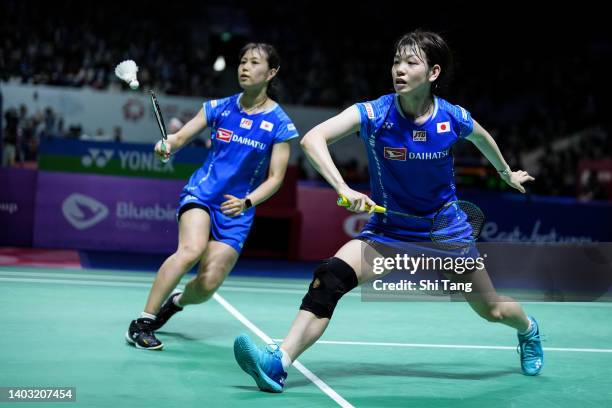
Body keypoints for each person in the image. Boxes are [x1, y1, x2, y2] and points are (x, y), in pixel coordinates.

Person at [233, 30, 543, 393]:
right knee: (329, 279)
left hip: (445, 236)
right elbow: (312, 139)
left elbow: (482, 137)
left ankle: (529, 330)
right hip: (388, 232)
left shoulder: (451, 117)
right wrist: (343, 187)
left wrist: (505, 173)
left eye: (411, 62)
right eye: (397, 60)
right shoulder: (375, 113)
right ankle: (278, 363)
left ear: (433, 73)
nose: (399, 68)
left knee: (492, 311)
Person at [125, 43, 299, 350]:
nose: (245, 67)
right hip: (202, 195)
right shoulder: (218, 107)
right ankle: (142, 321)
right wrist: (165, 147)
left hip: (238, 209)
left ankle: (175, 303)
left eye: (254, 62)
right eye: (242, 61)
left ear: (271, 73)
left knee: (207, 286)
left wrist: (247, 202)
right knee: (191, 250)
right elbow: (178, 138)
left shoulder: (281, 125)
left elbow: (276, 179)